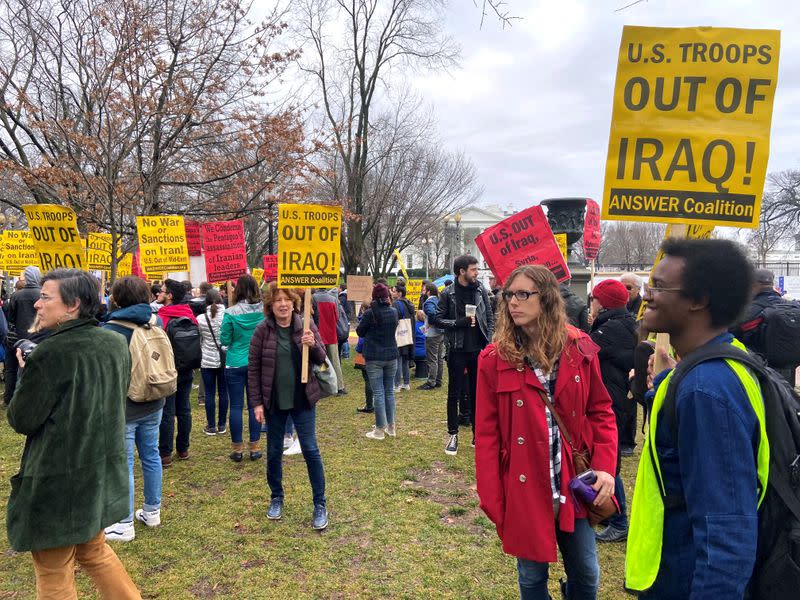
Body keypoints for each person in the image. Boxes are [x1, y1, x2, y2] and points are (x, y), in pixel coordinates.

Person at [625, 239, 766, 599]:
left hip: (686, 581)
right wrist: (666, 384)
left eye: (658, 286)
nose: (647, 296)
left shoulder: (706, 389)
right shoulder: (720, 363)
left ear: (699, 299)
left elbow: (727, 531)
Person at [475, 264, 616, 600]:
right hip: (522, 485)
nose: (513, 302)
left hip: (574, 481)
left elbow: (601, 411)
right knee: (531, 578)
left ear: (548, 299)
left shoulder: (580, 347)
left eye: (523, 294)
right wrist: (494, 499)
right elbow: (486, 436)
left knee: (586, 573)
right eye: (509, 295)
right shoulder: (492, 359)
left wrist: (606, 469)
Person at [6, 269, 140, 598]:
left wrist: (26, 373)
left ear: (73, 305)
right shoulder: (114, 342)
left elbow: (21, 418)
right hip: (96, 473)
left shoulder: (51, 354)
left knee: (53, 568)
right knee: (94, 551)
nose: (37, 304)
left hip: (57, 481)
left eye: (46, 297)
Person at [248, 282, 329, 530]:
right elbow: (253, 369)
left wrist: (312, 343)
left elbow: (322, 358)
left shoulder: (304, 325)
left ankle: (320, 504)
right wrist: (257, 403)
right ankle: (276, 497)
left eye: (286, 299)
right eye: (277, 300)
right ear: (270, 305)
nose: (282, 304)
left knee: (310, 449)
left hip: (302, 400)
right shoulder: (262, 331)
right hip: (274, 402)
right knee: (273, 451)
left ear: (294, 302)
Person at [102, 276, 167, 542]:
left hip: (125, 405)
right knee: (151, 455)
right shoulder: (156, 321)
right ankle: (152, 511)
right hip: (154, 398)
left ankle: (124, 522)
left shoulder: (110, 331)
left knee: (124, 463)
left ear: (116, 298)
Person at [588, 278, 637, 544]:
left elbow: (584, 351)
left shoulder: (612, 329)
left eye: (594, 300)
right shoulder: (622, 323)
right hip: (619, 397)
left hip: (613, 400)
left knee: (609, 462)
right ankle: (608, 511)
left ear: (602, 302)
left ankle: (619, 521)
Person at [434, 255, 494, 455]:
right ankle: (453, 434)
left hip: (478, 349)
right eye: (473, 269)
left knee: (479, 394)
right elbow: (437, 319)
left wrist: (489, 339)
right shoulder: (448, 293)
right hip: (457, 350)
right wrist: (459, 323)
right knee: (454, 393)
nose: (477, 273)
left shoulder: (480, 290)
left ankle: (478, 434)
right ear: (462, 271)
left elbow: (489, 317)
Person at [220, 274, 264, 461]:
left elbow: (224, 340)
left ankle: (237, 449)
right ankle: (254, 447)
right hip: (257, 362)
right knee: (256, 405)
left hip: (234, 362)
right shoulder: (264, 311)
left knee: (236, 406)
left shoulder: (230, 313)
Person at [730, 268, 800, 386]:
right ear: (772, 284)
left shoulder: (750, 311)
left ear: (752, 285)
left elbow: (730, 333)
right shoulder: (791, 307)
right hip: (788, 373)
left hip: (758, 372)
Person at [157, 279, 198, 466]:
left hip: (168, 370)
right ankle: (183, 449)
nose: (159, 293)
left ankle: (165, 454)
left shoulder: (162, 317)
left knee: (167, 412)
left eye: (162, 291)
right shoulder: (189, 314)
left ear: (170, 296)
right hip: (187, 368)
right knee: (184, 410)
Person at [356, 283, 399, 440]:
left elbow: (360, 331)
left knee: (379, 393)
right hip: (391, 355)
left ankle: (380, 430)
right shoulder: (394, 312)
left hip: (374, 357)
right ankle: (391, 426)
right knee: (389, 392)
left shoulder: (369, 314)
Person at [5, 265, 41, 405]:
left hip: (19, 338)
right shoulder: (42, 294)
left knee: (13, 369)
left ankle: (10, 398)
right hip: (39, 337)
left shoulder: (16, 296)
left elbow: (11, 318)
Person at [198, 288, 228, 436]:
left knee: (209, 393)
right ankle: (222, 425)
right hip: (224, 358)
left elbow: (200, 338)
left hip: (207, 360)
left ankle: (211, 426)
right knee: (223, 392)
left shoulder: (200, 318)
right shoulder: (228, 315)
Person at [312, 288, 346, 395]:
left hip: (318, 334)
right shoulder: (333, 299)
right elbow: (337, 317)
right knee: (335, 361)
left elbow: (312, 316)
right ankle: (339, 387)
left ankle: (324, 383)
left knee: (322, 360)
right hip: (331, 334)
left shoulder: (313, 298)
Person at [418, 282, 444, 390]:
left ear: (428, 292)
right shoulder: (439, 300)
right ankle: (438, 380)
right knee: (439, 358)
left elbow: (432, 314)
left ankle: (431, 382)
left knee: (432, 359)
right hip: (441, 332)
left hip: (433, 333)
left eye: (424, 290)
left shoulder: (429, 302)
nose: (423, 292)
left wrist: (434, 322)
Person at [391, 283, 415, 392]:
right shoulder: (409, 303)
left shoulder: (396, 304)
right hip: (408, 334)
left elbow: (395, 320)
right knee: (405, 359)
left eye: (395, 291)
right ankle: (406, 383)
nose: (392, 293)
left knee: (398, 359)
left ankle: (397, 384)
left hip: (399, 334)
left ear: (400, 293)